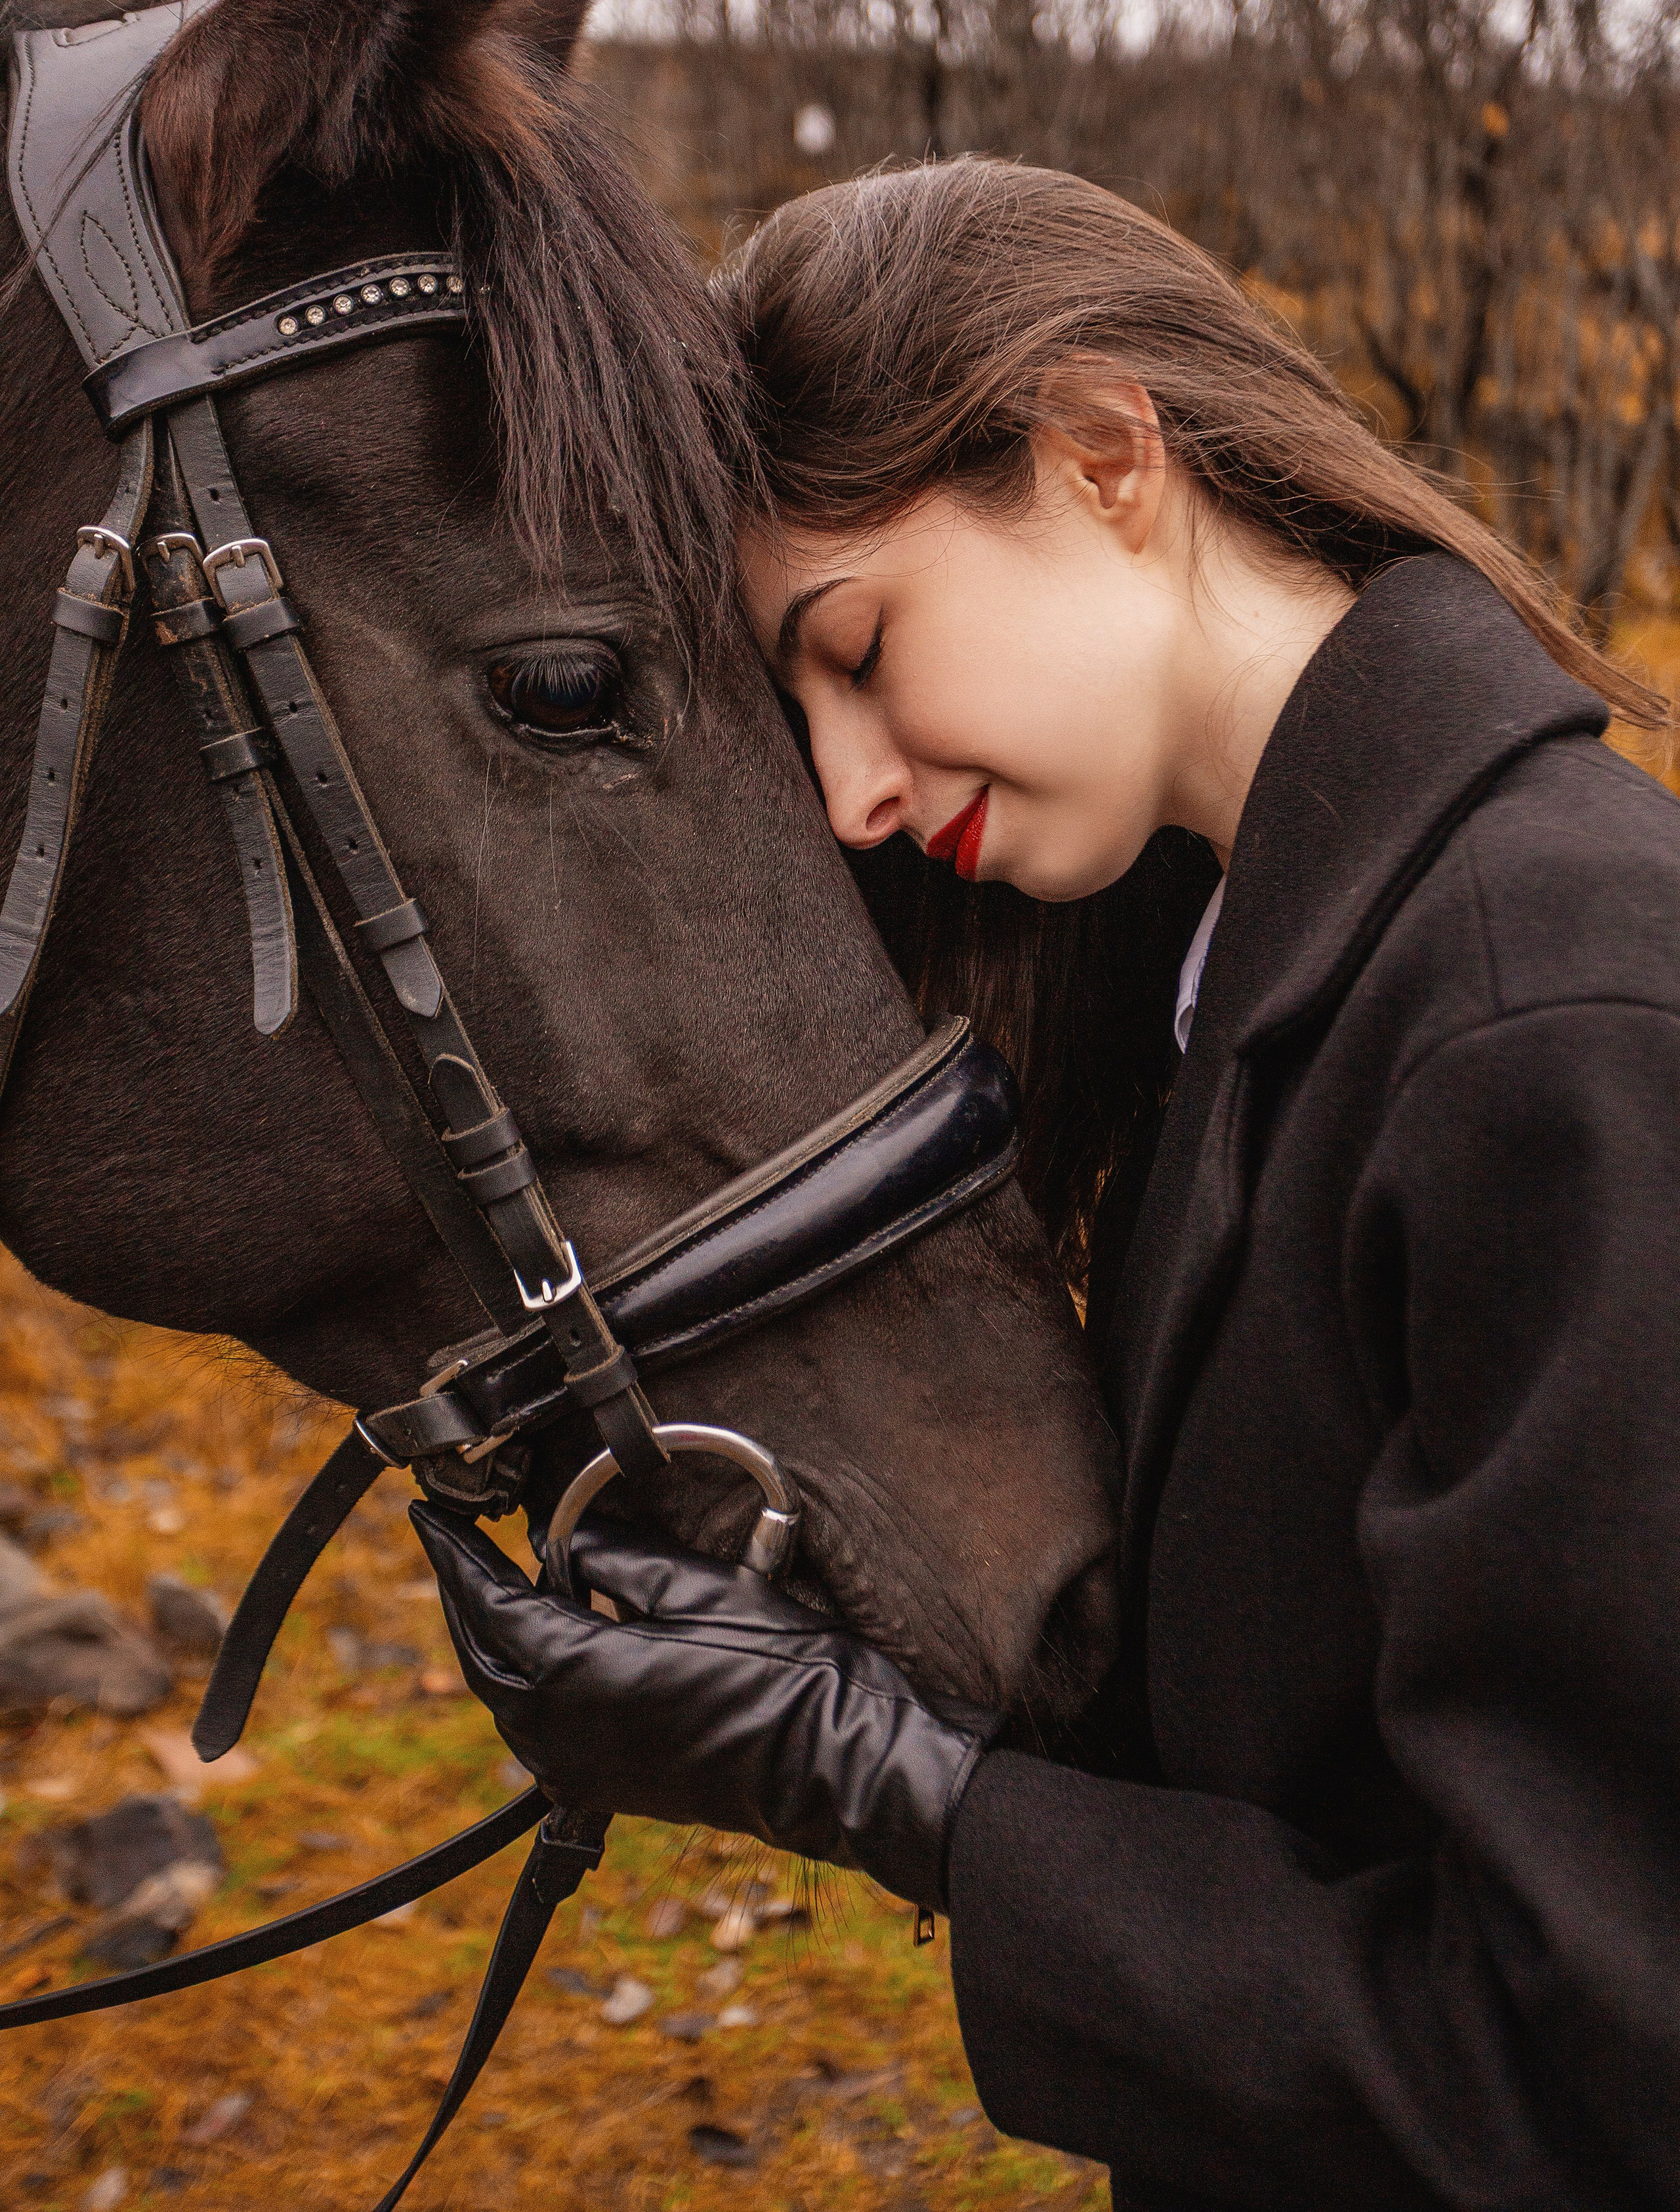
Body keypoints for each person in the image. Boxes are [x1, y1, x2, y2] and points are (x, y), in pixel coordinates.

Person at [413, 158, 1680, 2209]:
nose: (853, 792)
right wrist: (810, 1694)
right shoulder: (1244, 959)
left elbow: (1593, 2083)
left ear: (1102, 454)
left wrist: (906, 1796)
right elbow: (1298, 1770)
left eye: (856, 644)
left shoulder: (1552, 1013)